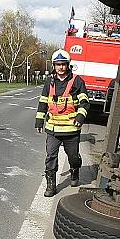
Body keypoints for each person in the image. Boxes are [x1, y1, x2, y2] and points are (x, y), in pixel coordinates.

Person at [35, 49, 90, 197]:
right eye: (58, 64)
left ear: (68, 65)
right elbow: (43, 102)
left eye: (63, 64)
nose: (60, 67)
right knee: (50, 156)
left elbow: (85, 102)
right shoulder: (49, 81)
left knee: (73, 156)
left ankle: (75, 170)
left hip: (71, 129)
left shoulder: (77, 81)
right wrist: (39, 121)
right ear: (54, 65)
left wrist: (80, 117)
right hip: (53, 129)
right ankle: (51, 186)